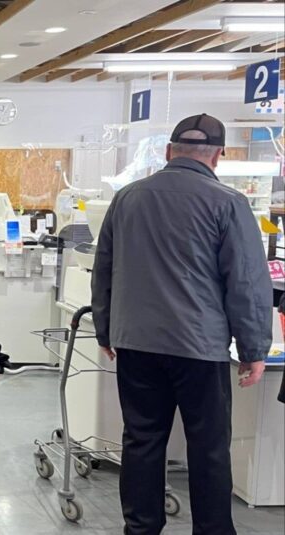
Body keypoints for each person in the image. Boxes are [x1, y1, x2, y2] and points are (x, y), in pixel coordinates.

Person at [91, 113, 272, 535]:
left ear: (169, 152)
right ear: (218, 156)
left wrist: (106, 328)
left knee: (141, 441)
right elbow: (245, 282)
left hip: (137, 344)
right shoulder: (228, 203)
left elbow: (105, 268)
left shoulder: (127, 198)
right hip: (199, 348)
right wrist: (254, 349)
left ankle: (140, 529)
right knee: (208, 449)